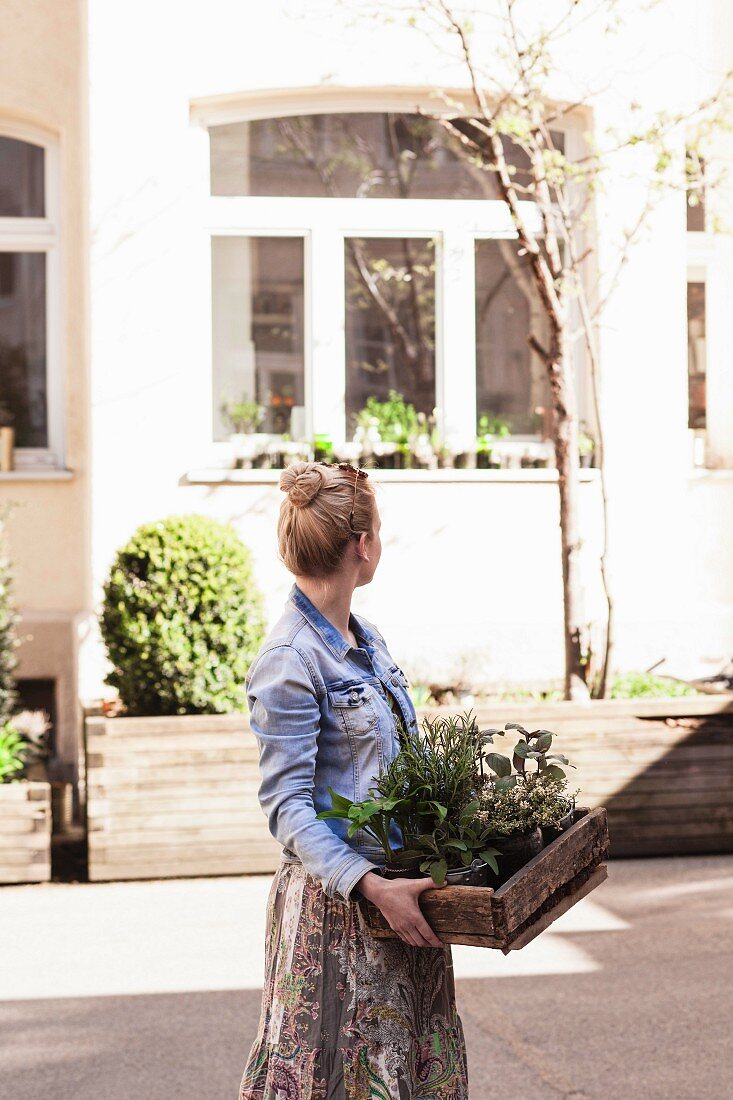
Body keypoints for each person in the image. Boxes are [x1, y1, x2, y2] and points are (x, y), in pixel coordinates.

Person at [239, 460, 469, 1099]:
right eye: (378, 532)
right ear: (362, 545)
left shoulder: (367, 641)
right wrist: (370, 886)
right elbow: (288, 809)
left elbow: (398, 769)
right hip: (341, 915)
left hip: (404, 902)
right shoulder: (288, 661)